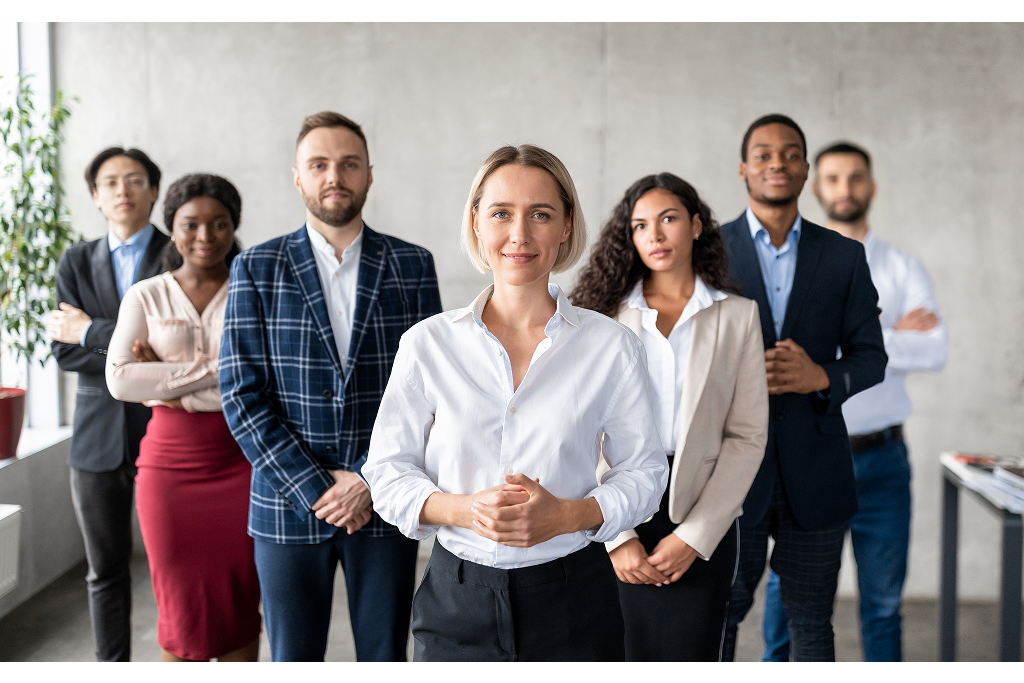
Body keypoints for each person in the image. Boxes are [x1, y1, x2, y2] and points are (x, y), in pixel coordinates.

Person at [363, 144, 669, 662]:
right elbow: (388, 473)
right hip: (454, 600)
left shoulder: (612, 346)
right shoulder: (427, 343)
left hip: (576, 599)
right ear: (477, 223)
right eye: (501, 213)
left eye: (541, 215)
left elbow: (644, 473)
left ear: (567, 226)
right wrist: (464, 509)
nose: (520, 235)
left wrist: (571, 515)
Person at [218, 111, 443, 662]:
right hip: (287, 502)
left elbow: (432, 394)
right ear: (298, 177)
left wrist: (368, 478)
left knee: (386, 655)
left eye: (348, 164)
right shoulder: (256, 267)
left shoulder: (412, 265)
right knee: (292, 658)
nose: (334, 176)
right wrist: (315, 485)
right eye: (318, 165)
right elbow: (241, 395)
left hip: (385, 498)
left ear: (369, 174)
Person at [760, 141, 948, 662]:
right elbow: (779, 353)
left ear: (872, 186)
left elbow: (935, 349)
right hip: (808, 456)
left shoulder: (903, 267)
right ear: (817, 187)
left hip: (882, 461)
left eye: (856, 177)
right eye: (834, 178)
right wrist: (883, 331)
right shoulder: (793, 265)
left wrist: (852, 343)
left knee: (883, 604)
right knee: (785, 600)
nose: (845, 189)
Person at [570, 172, 769, 661]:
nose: (654, 235)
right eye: (640, 226)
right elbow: (579, 430)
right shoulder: (602, 316)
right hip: (611, 507)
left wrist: (694, 537)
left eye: (668, 219)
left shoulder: (737, 316)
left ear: (697, 225)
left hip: (700, 511)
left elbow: (746, 437)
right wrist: (617, 536)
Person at [719, 114, 888, 662]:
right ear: (744, 168)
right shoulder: (707, 253)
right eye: (764, 154)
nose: (777, 163)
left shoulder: (842, 255)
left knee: (812, 623)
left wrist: (822, 377)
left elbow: (871, 358)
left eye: (790, 154)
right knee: (719, 615)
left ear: (806, 169)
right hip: (729, 475)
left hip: (817, 473)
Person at [106, 173, 260, 662]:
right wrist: (222, 372)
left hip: (243, 461)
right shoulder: (146, 295)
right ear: (171, 227)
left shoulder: (254, 289)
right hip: (168, 466)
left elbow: (270, 374)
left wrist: (164, 375)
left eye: (219, 224)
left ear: (233, 227)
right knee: (178, 608)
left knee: (240, 603)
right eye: (190, 224)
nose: (205, 236)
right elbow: (121, 381)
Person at [48, 147, 169, 662]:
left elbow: (180, 351)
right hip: (96, 439)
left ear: (154, 191)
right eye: (111, 182)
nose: (124, 189)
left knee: (175, 567)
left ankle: (180, 661)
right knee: (105, 571)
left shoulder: (181, 251)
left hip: (168, 428)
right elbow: (62, 350)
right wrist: (132, 350)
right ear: (96, 197)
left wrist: (91, 332)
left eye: (136, 179)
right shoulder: (75, 261)